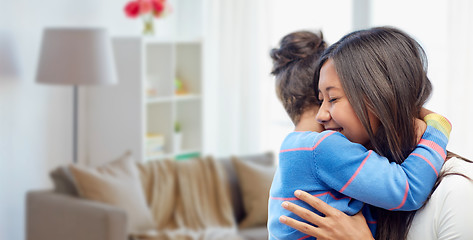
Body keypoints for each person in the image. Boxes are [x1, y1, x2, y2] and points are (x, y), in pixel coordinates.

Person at [277, 27, 473, 240]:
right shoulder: (355, 178)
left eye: (332, 99)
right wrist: (436, 129)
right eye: (320, 99)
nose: (320, 115)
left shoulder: (457, 191)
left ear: (380, 97)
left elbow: (409, 189)